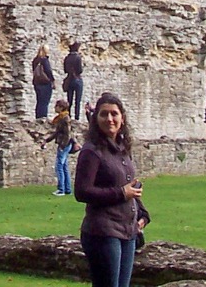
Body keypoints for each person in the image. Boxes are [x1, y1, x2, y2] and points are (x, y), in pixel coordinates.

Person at [74, 92, 149, 287]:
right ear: (95, 119)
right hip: (103, 232)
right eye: (104, 114)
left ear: (122, 118)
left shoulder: (122, 148)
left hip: (128, 231)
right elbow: (82, 191)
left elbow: (129, 185)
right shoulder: (91, 151)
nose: (109, 119)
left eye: (114, 114)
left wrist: (142, 213)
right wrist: (121, 193)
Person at [42, 98, 75, 195]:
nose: (54, 108)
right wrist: (47, 140)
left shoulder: (65, 119)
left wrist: (62, 146)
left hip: (64, 145)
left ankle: (61, 189)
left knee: (59, 166)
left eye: (56, 106)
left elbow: (67, 134)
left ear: (61, 107)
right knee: (64, 166)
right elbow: (57, 133)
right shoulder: (62, 118)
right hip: (65, 144)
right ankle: (67, 189)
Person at [32, 45, 55, 119]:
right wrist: (52, 80)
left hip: (37, 83)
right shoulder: (44, 60)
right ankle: (43, 117)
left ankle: (38, 117)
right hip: (45, 83)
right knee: (45, 102)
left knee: (39, 101)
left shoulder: (35, 60)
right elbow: (48, 71)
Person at [63, 42, 85, 121]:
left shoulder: (67, 58)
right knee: (77, 100)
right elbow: (80, 70)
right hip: (77, 79)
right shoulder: (78, 57)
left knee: (69, 100)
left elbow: (65, 70)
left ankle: (68, 115)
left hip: (69, 79)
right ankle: (77, 117)